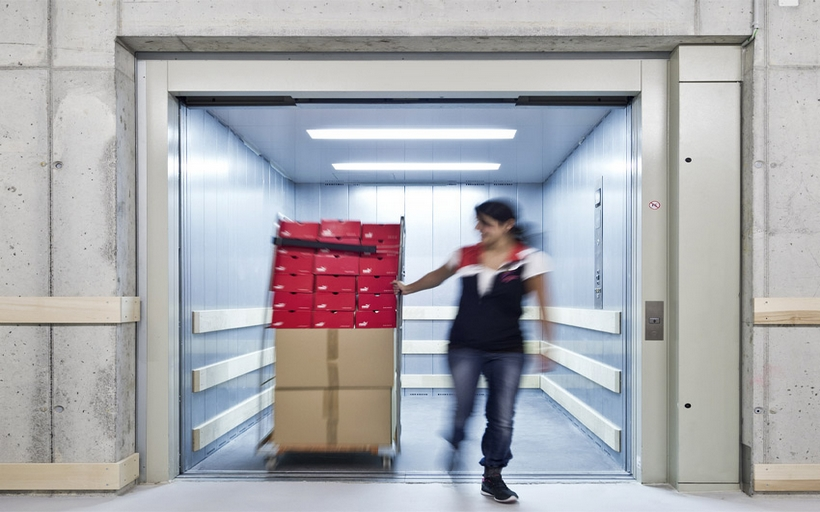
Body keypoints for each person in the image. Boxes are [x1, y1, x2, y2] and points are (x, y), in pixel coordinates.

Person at [392, 199, 552, 504]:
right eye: (478, 222)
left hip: (508, 350)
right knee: (463, 410)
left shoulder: (529, 259)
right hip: (464, 346)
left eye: (486, 223)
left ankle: (492, 475)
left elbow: (544, 302)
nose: (478, 228)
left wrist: (548, 346)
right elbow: (438, 275)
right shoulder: (465, 255)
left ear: (507, 225)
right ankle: (456, 442)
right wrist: (408, 288)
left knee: (502, 416)